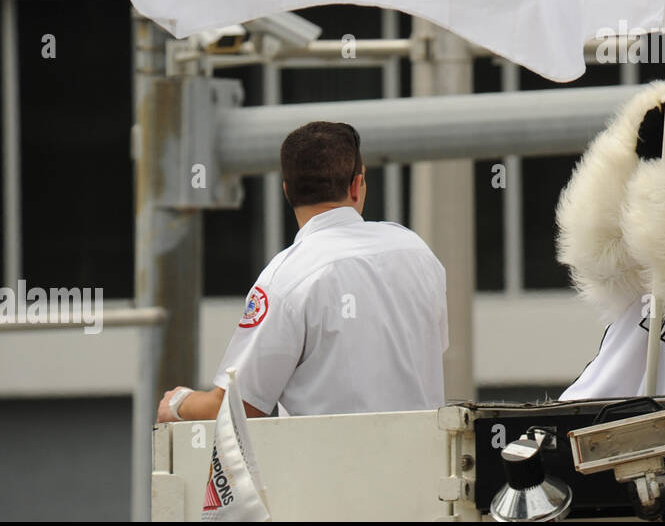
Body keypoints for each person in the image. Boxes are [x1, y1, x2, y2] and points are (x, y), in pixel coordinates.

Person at [156, 121, 448, 422]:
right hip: (425, 465)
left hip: (330, 467)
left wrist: (178, 403)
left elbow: (240, 408)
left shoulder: (285, 278)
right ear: (355, 186)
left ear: (287, 191)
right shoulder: (417, 252)